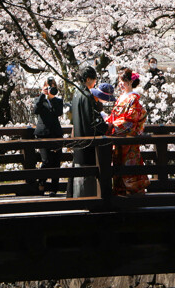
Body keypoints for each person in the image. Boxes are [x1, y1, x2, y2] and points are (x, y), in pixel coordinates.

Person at [106, 68, 150, 196]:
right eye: (119, 81)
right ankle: (120, 190)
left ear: (130, 82)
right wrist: (107, 122)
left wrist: (112, 126)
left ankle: (133, 191)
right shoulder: (121, 98)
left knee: (128, 164)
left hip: (128, 138)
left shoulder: (133, 98)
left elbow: (131, 119)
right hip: (118, 137)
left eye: (123, 81)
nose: (120, 84)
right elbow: (114, 115)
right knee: (118, 162)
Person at [69, 66, 108, 198]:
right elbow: (93, 120)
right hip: (88, 141)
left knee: (80, 167)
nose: (95, 82)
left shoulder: (76, 94)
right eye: (94, 79)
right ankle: (90, 198)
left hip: (79, 137)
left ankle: (78, 196)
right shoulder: (87, 96)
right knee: (89, 171)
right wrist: (106, 126)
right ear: (88, 79)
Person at [33, 77, 64, 194]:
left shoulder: (58, 101)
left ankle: (54, 189)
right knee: (46, 161)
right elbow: (36, 110)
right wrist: (43, 95)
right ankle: (41, 182)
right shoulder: (39, 100)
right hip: (43, 134)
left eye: (53, 86)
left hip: (56, 133)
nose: (51, 88)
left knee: (56, 161)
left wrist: (52, 98)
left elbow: (58, 112)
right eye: (49, 86)